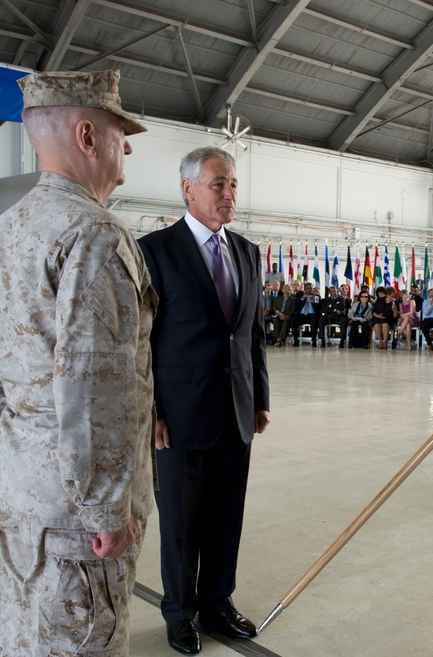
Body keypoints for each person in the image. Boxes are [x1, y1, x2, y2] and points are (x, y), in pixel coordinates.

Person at [0, 70, 155, 655]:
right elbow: (95, 389)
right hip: (78, 516)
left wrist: (20, 458)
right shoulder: (94, 235)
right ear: (86, 136)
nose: (127, 146)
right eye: (119, 131)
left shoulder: (6, 229)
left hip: (23, 487)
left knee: (28, 638)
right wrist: (104, 510)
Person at [138, 147, 271, 655]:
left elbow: (251, 334)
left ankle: (218, 602)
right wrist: (152, 412)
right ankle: (179, 613)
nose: (229, 194)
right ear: (188, 189)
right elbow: (140, 341)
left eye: (233, 184)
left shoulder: (246, 252)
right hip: (179, 414)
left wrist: (258, 396)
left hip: (235, 409)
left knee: (224, 516)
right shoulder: (154, 251)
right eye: (219, 184)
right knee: (180, 522)